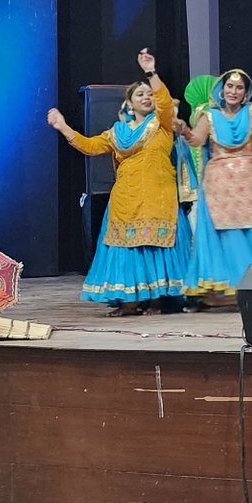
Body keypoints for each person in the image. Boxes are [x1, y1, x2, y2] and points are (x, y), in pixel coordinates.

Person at [46, 49, 189, 315]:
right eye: (140, 94)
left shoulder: (163, 124)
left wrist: (151, 73)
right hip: (126, 198)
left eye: (149, 94)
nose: (146, 97)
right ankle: (131, 301)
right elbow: (89, 146)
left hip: (158, 195)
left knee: (155, 245)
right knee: (127, 248)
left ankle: (157, 300)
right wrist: (63, 126)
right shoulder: (117, 133)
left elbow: (165, 103)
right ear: (130, 104)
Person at [178, 31, 252, 306]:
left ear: (246, 92)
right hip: (219, 187)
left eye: (239, 88)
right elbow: (197, 140)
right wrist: (184, 130)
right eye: (230, 87)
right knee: (225, 235)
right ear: (222, 90)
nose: (233, 91)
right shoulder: (210, 116)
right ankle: (226, 292)